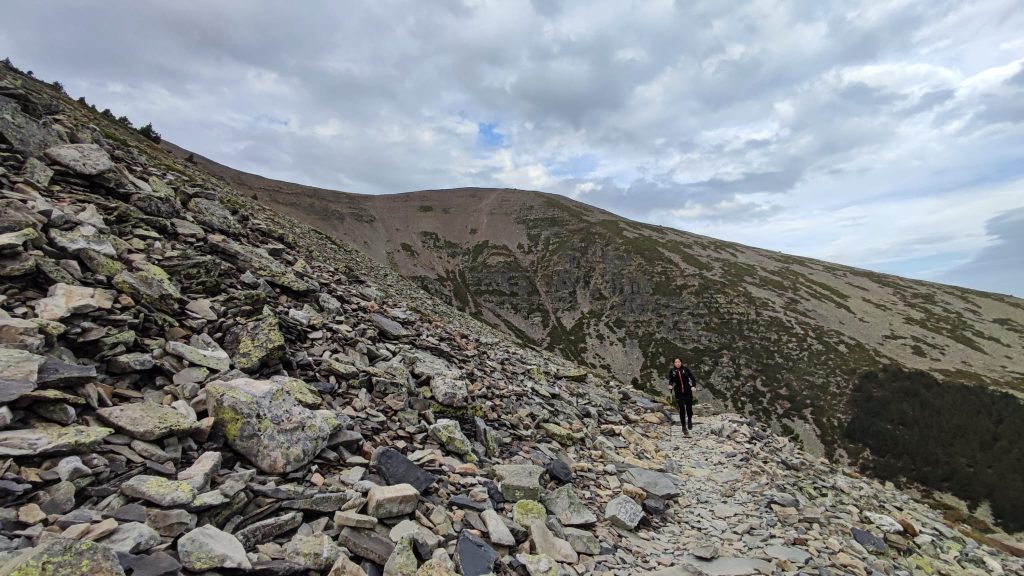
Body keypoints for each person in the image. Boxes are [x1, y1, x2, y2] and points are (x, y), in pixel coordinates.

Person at [667, 358, 697, 434]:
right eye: (676, 362)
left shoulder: (685, 369)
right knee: (682, 408)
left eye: (679, 362)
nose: (677, 363)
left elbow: (693, 379)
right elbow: (671, 380)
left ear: (681, 362)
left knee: (689, 408)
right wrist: (670, 385)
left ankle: (689, 419)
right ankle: (684, 427)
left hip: (688, 391)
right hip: (678, 392)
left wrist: (693, 386)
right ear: (674, 363)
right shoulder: (672, 371)